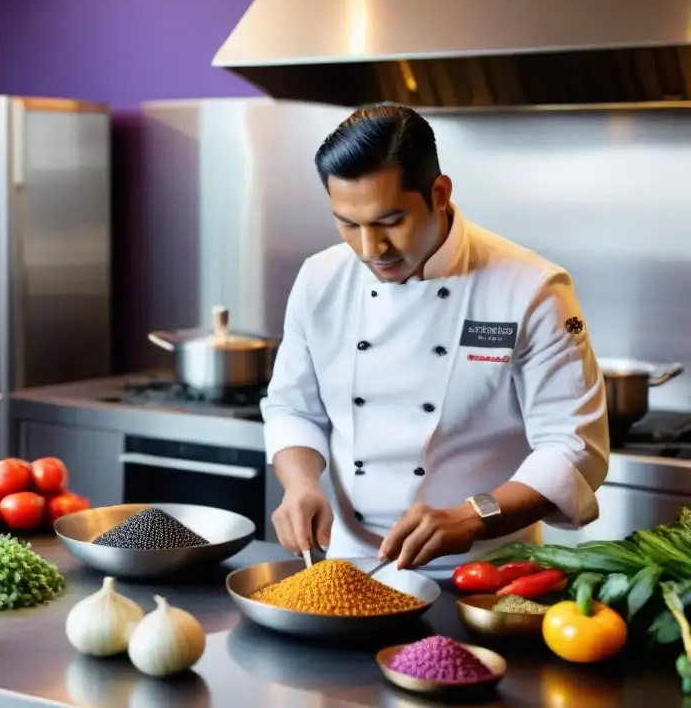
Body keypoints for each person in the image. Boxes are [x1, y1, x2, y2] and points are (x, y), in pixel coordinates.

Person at [261, 103, 609, 570]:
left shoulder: (530, 288)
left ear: (439, 193)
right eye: (348, 223)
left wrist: (471, 516)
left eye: (390, 222)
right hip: (350, 568)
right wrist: (301, 485)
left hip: (487, 575)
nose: (370, 249)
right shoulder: (319, 279)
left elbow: (574, 448)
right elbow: (292, 407)